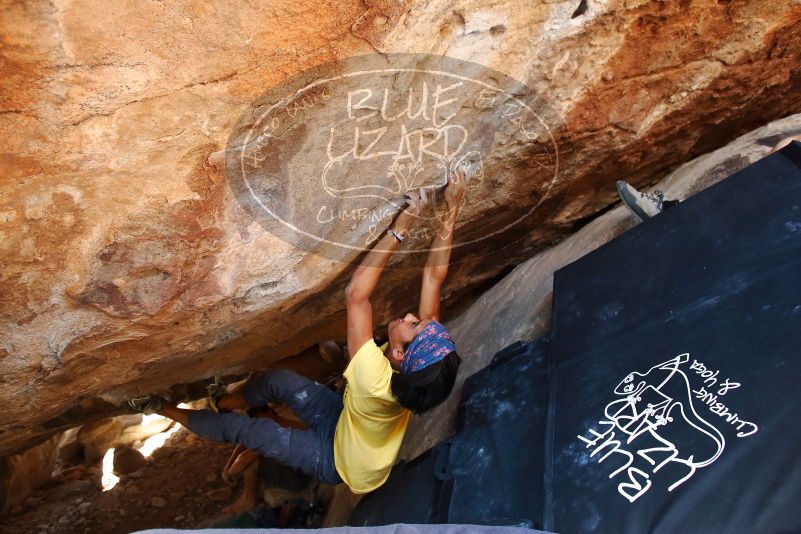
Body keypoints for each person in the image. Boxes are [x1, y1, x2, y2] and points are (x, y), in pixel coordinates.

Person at [128, 168, 467, 495]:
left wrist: (399, 227)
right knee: (280, 381)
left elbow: (357, 296)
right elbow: (433, 278)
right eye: (418, 321)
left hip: (340, 461)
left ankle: (162, 407)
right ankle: (225, 400)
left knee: (246, 431)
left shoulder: (373, 377)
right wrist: (452, 208)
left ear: (397, 355)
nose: (409, 316)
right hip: (350, 422)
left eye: (411, 326)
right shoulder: (420, 364)